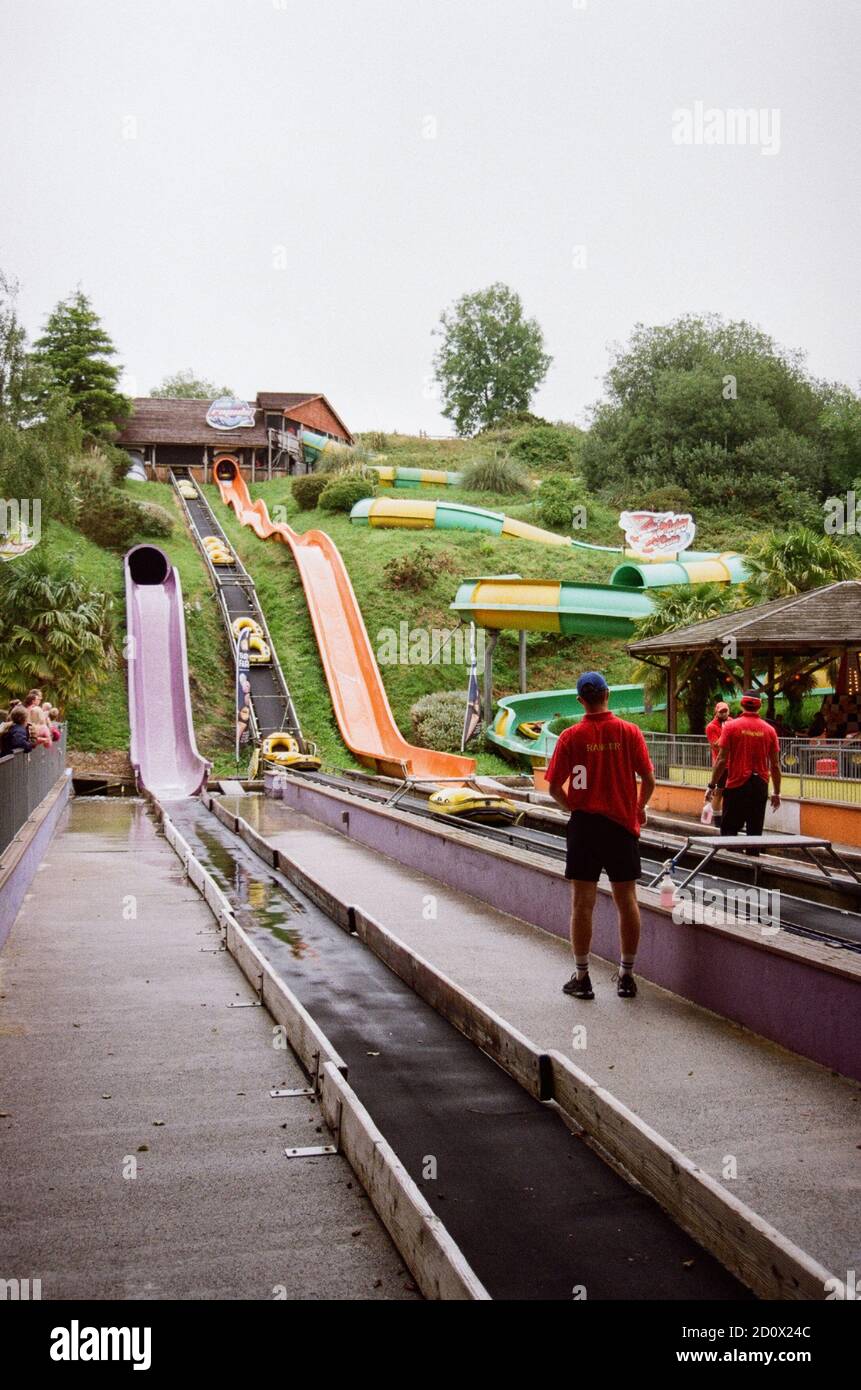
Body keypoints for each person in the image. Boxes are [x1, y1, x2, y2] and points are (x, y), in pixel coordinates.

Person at [545, 671, 656, 1000]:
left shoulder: (570, 737)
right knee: (627, 901)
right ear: (608, 693)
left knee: (582, 904)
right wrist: (638, 807)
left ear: (581, 700)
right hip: (622, 827)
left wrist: (574, 808)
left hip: (585, 828)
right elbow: (648, 781)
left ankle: (582, 978)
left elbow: (553, 787)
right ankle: (626, 976)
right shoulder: (629, 732)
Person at [706, 691, 781, 845]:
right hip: (760, 785)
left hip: (736, 785)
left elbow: (721, 759)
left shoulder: (731, 727)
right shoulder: (769, 730)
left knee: (729, 834)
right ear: (760, 706)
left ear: (742, 704)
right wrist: (777, 792)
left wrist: (711, 785)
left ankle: (730, 867)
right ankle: (754, 865)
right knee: (755, 834)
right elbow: (775, 765)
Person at [704, 701, 731, 827]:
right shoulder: (711, 727)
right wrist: (725, 731)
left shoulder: (732, 722)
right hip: (721, 764)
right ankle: (717, 820)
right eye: (721, 711)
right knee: (718, 791)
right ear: (716, 712)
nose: (724, 714)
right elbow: (715, 745)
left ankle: (730, 818)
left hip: (733, 763)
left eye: (725, 711)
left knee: (731, 792)